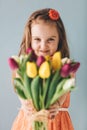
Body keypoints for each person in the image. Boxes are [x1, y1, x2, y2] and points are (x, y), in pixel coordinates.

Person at [11, 8, 74, 130]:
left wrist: (57, 104)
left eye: (50, 39)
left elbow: (66, 89)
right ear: (30, 39)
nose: (43, 46)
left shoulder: (65, 66)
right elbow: (18, 85)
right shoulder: (26, 65)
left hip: (56, 122)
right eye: (37, 39)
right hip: (30, 120)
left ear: (59, 39)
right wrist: (25, 102)